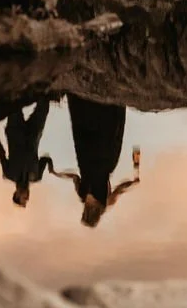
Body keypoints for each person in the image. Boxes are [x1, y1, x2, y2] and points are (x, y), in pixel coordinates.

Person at [52, 95, 139, 228]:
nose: (84, 212)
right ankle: (100, 99)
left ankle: (96, 99)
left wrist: (57, 174)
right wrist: (133, 182)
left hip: (91, 158)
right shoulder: (104, 203)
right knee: (101, 128)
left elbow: (74, 177)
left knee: (96, 127)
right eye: (85, 215)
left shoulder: (86, 197)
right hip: (98, 158)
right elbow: (120, 190)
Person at [0, 98, 54, 208]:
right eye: (26, 200)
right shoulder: (36, 177)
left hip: (15, 130)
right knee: (44, 107)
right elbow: (45, 159)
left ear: (16, 194)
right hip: (34, 132)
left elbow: (1, 153)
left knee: (14, 102)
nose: (27, 197)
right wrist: (51, 168)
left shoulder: (9, 174)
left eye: (24, 199)